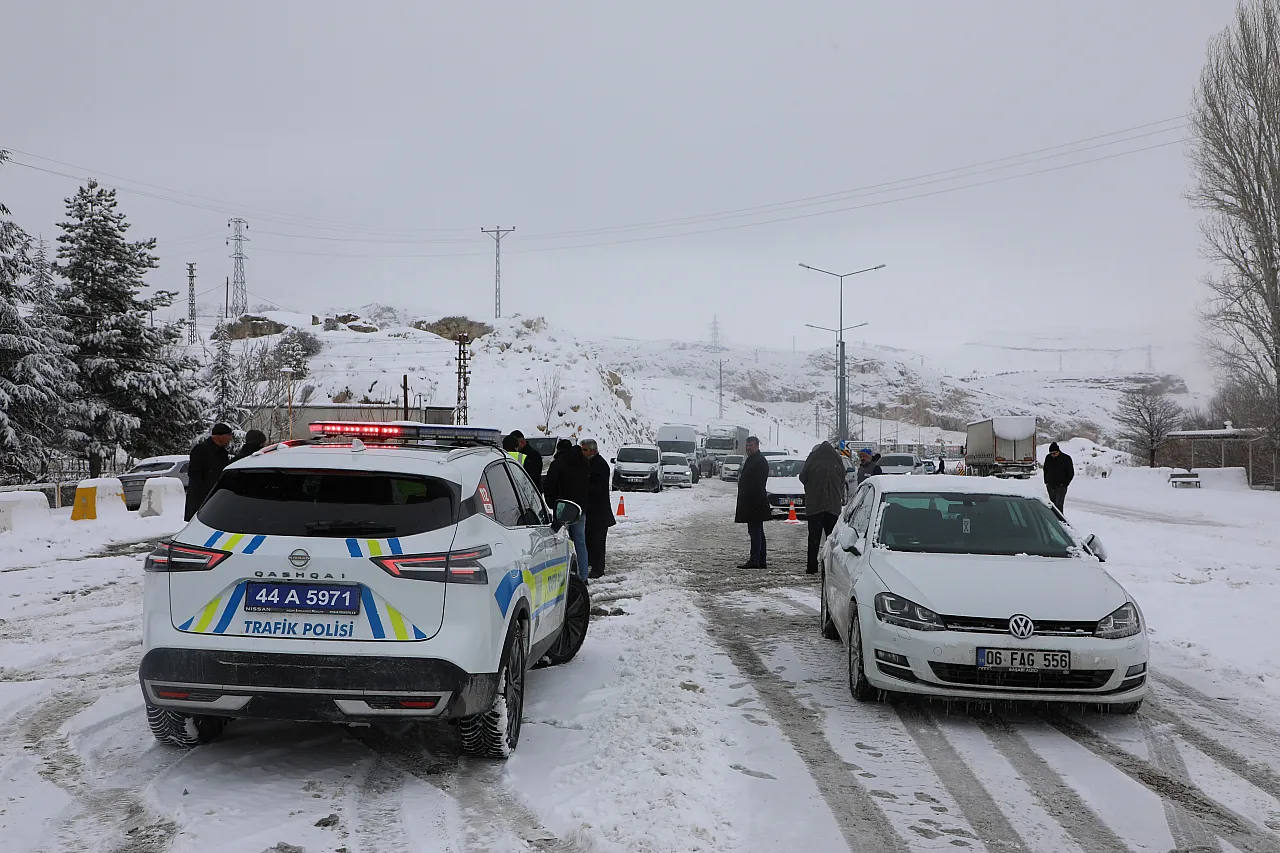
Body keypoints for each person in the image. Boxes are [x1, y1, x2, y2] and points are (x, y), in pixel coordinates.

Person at [544, 439, 591, 580]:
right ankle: (584, 576)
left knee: (561, 542)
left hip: (563, 508)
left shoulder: (558, 464)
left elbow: (549, 485)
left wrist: (552, 503)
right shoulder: (584, 462)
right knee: (580, 542)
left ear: (558, 450)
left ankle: (563, 576)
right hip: (580, 508)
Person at [799, 441, 846, 575]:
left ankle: (812, 566)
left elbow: (802, 476)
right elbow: (843, 478)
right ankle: (832, 568)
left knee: (814, 538)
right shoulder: (837, 460)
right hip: (833, 506)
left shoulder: (813, 459)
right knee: (832, 540)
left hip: (815, 505)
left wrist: (811, 486)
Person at [580, 438, 615, 579]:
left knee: (598, 542)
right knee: (589, 539)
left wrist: (583, 487)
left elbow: (599, 487)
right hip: (590, 510)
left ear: (592, 451)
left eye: (585, 450)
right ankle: (591, 564)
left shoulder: (600, 465)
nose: (582, 452)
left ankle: (598, 569)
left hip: (599, 511)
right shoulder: (587, 463)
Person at [734, 436, 771, 569]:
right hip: (753, 501)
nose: (748, 448)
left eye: (751, 445)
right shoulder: (753, 459)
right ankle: (760, 560)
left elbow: (757, 484)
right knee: (757, 531)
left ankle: (755, 560)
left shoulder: (759, 461)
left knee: (755, 532)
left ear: (757, 446)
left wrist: (749, 498)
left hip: (755, 502)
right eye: (747, 445)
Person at [185, 423, 233, 521]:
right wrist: (206, 494)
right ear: (219, 437)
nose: (230, 439)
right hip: (200, 501)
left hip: (217, 499)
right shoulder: (200, 450)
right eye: (229, 435)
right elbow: (194, 475)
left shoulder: (223, 453)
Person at [1043, 441, 1075, 512]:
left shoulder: (1066, 458)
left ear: (1058, 451)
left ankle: (1060, 519)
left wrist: (1064, 484)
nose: (1052, 455)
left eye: (1054, 453)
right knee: (1052, 506)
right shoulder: (1048, 458)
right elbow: (1045, 470)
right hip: (1050, 486)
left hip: (1061, 487)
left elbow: (1071, 473)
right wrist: (1046, 482)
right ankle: (1053, 518)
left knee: (1059, 506)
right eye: (1051, 453)